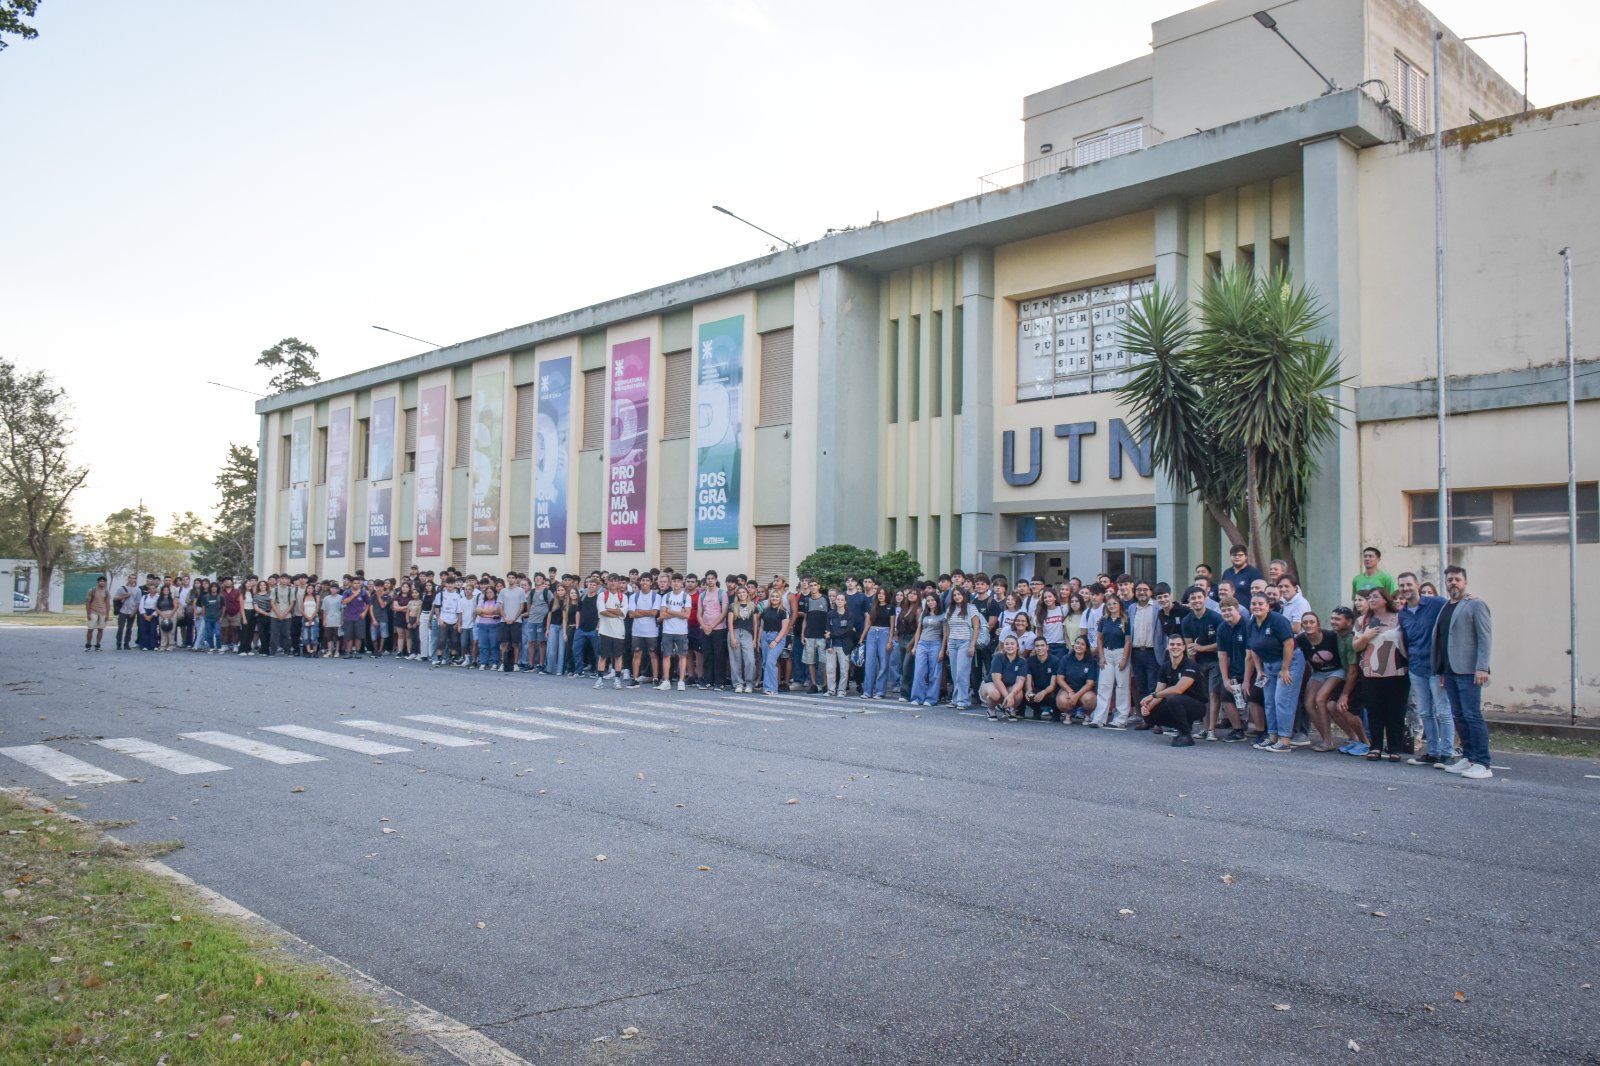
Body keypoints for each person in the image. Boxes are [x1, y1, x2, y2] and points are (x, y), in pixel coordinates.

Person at [1432, 565, 1494, 780]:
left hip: (1469, 671)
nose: (1453, 583)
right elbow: (1442, 640)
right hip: (1449, 671)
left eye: (1457, 579)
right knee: (1459, 716)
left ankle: (1482, 762)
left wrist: (1482, 667)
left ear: (1465, 582)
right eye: (1449, 580)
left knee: (1472, 715)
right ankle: (1468, 757)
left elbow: (1484, 637)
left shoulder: (1475, 604)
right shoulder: (1446, 606)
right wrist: (1441, 669)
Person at [1396, 572, 1454, 767]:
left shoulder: (1435, 603)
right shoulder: (1402, 614)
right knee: (1425, 711)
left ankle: (1447, 752)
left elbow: (1455, 604)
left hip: (1436, 666)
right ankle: (1433, 752)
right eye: (1402, 586)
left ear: (1417, 585)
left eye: (1408, 584)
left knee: (1443, 710)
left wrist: (1470, 597)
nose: (1405, 589)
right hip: (1416, 667)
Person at [1353, 587, 1410, 761]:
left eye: (1375, 596)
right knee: (1374, 710)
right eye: (1369, 597)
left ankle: (1395, 748)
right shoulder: (1363, 621)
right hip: (1371, 672)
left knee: (1396, 711)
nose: (1371, 599)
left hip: (1397, 671)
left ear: (1385, 599)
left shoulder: (1400, 618)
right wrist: (1366, 636)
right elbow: (1356, 646)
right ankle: (1375, 746)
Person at [1244, 591, 1301, 752]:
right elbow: (1253, 649)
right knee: (1269, 701)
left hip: (1289, 663)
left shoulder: (1278, 620)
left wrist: (1285, 669)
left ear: (1268, 606)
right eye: (1254, 604)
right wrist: (1260, 670)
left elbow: (1289, 644)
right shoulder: (1251, 624)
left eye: (1260, 604)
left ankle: (1284, 740)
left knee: (1282, 700)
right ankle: (1272, 736)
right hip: (1268, 665)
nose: (1257, 607)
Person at [1179, 586, 1231, 741]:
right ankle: (1204, 727)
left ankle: (1211, 730)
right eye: (1193, 598)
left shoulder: (1215, 617)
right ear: (1188, 602)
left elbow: (1222, 643)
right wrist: (1193, 667)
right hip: (1199, 664)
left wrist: (1202, 648)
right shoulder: (1187, 621)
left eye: (1199, 597)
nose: (1196, 601)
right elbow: (1189, 647)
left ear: (1205, 598)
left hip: (1215, 661)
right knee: (1203, 697)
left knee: (1213, 694)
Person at [1140, 633, 1207, 746]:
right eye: (1172, 644)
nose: (1175, 647)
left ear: (1183, 647)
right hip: (1177, 703)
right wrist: (1147, 707)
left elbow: (1178, 690)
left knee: (1173, 698)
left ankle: (1186, 735)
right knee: (1149, 714)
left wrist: (1153, 695)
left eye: (1178, 644)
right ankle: (1182, 728)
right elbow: (1159, 692)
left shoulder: (1190, 665)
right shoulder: (1165, 667)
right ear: (1168, 647)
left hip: (1197, 706)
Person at [1295, 612, 1345, 751]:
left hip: (1337, 670)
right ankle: (1325, 738)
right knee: (1308, 703)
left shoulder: (1331, 636)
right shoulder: (1301, 639)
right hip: (1318, 673)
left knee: (1320, 699)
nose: (1308, 625)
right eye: (1305, 622)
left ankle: (1328, 743)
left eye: (1311, 622)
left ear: (1318, 624)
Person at [1090, 593, 1132, 728]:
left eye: (1114, 603)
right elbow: (1099, 639)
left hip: (1121, 653)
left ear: (1119, 605)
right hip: (1107, 653)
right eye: (1109, 604)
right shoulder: (1104, 620)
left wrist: (1125, 658)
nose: (1112, 606)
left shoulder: (1125, 620)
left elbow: (1128, 641)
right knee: (1104, 686)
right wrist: (1101, 656)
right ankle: (1099, 718)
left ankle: (1120, 719)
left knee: (1122, 686)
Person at [945, 586, 982, 710]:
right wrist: (947, 645)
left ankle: (964, 700)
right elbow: (948, 627)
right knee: (955, 673)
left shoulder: (971, 608)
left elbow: (976, 627)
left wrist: (972, 645)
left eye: (959, 594)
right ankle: (956, 699)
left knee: (962, 673)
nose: (957, 597)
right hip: (952, 642)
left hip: (965, 642)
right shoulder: (950, 609)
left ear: (964, 595)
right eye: (954, 595)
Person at [909, 589, 947, 708]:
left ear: (937, 601)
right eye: (929, 601)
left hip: (936, 644)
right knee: (919, 672)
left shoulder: (943, 615)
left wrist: (942, 650)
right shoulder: (923, 614)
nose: (931, 603)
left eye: (933, 600)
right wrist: (915, 646)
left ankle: (931, 698)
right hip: (922, 644)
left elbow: (946, 635)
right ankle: (917, 697)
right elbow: (918, 631)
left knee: (934, 674)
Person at [979, 635, 1027, 722]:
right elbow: (996, 680)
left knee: (1018, 693)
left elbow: (1020, 681)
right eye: (1007, 644)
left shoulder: (1022, 661)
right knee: (994, 694)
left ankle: (1010, 709)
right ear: (1003, 646)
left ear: (1017, 647)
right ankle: (991, 710)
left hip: (1009, 686)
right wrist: (1007, 696)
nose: (1009, 646)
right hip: (992, 684)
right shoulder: (998, 657)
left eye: (1012, 644)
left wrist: (1011, 694)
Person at [1053, 635, 1098, 723]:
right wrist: (1070, 692)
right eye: (1077, 643)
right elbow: (1060, 678)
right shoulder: (1066, 659)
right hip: (1068, 689)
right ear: (1074, 645)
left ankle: (1087, 715)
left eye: (1082, 644)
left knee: (1090, 699)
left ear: (1086, 648)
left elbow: (1090, 683)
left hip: (1084, 691)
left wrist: (1076, 696)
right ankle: (1068, 714)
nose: (1079, 646)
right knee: (1062, 701)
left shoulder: (1091, 661)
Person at [628, 576, 663, 689]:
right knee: (637, 653)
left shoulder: (656, 596)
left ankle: (656, 678)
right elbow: (631, 614)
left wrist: (639, 611)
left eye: (647, 580)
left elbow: (654, 613)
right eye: (643, 580)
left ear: (651, 582)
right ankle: (635, 678)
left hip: (651, 631)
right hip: (637, 630)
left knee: (653, 653)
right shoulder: (634, 596)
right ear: (640, 582)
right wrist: (646, 612)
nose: (645, 582)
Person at [659, 574, 692, 690]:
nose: (676, 583)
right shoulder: (666, 596)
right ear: (671, 583)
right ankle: (666, 680)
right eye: (674, 581)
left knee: (682, 655)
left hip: (681, 631)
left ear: (682, 583)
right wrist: (679, 613)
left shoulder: (686, 597)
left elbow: (687, 615)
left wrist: (671, 611)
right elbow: (662, 614)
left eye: (678, 581)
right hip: (667, 630)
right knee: (666, 655)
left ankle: (681, 681)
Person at [823, 591, 858, 698]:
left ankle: (842, 690)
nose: (839, 601)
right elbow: (826, 631)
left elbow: (849, 632)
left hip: (844, 646)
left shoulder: (850, 615)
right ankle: (831, 690)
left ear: (845, 601)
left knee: (844, 669)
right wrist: (828, 644)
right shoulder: (830, 614)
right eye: (838, 599)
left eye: (842, 599)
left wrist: (832, 634)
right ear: (835, 601)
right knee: (830, 669)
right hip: (832, 646)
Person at [594, 576, 628, 689]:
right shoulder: (602, 595)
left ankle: (617, 679)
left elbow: (623, 612)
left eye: (616, 581)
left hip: (619, 632)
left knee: (618, 656)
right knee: (603, 656)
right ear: (607, 582)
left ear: (619, 583)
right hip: (605, 631)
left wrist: (609, 609)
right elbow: (602, 611)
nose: (613, 583)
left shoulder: (623, 597)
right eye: (611, 581)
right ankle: (600, 679)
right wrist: (617, 614)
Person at [862, 586, 894, 700]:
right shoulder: (873, 606)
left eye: (883, 593)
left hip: (884, 633)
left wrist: (890, 641)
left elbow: (892, 626)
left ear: (886, 595)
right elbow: (868, 623)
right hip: (871, 633)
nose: (881, 595)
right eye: (879, 593)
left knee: (884, 663)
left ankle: (880, 691)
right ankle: (867, 691)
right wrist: (862, 637)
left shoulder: (891, 607)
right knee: (869, 663)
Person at [758, 588, 792, 696]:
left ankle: (772, 688)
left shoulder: (784, 612)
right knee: (765, 663)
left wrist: (776, 641)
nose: (774, 598)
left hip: (777, 637)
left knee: (770, 663)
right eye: (773, 596)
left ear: (780, 598)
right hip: (765, 636)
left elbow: (784, 629)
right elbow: (762, 626)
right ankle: (766, 687)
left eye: (777, 596)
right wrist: (759, 639)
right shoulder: (765, 610)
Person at [728, 586, 760, 693]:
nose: (742, 594)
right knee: (735, 659)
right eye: (739, 593)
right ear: (737, 595)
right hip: (735, 632)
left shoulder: (753, 606)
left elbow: (755, 624)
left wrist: (755, 639)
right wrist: (732, 637)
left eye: (744, 592)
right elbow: (730, 623)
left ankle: (749, 683)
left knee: (750, 659)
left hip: (747, 634)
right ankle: (738, 683)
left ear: (747, 593)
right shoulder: (733, 606)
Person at [1023, 638, 1058, 720]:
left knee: (1055, 695)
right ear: (1034, 648)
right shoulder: (1030, 661)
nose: (1040, 648)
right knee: (1025, 693)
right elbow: (1029, 681)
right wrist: (1028, 691)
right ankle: (1036, 711)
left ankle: (1056, 713)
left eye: (1042, 645)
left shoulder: (1055, 661)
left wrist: (1043, 692)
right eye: (1037, 646)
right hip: (1037, 688)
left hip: (1051, 690)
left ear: (1047, 647)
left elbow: (1053, 685)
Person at [84, 576, 110, 651]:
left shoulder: (106, 592)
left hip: (103, 612)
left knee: (100, 629)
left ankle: (97, 645)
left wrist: (107, 614)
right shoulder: (92, 590)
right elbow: (87, 602)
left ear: (105, 583)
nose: (102, 582)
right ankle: (88, 645)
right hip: (93, 611)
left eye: (104, 581)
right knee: (90, 629)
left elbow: (107, 603)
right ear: (98, 582)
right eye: (101, 581)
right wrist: (88, 613)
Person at [320, 583, 343, 660]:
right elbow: (324, 610)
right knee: (328, 637)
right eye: (332, 588)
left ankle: (337, 651)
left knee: (337, 637)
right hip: (328, 619)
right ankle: (329, 651)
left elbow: (342, 609)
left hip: (338, 619)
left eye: (335, 588)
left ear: (338, 590)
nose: (333, 590)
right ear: (330, 589)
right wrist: (324, 620)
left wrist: (342, 620)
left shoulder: (341, 598)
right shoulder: (326, 598)